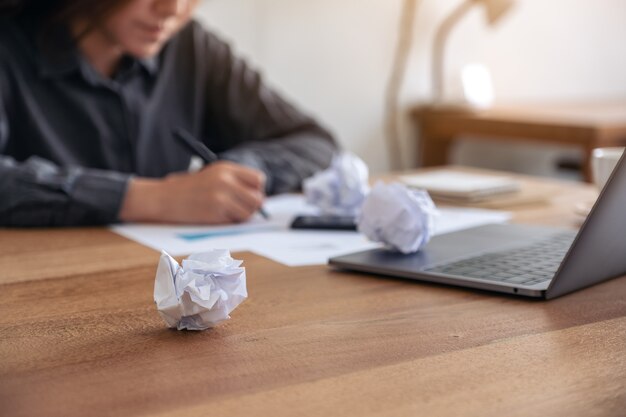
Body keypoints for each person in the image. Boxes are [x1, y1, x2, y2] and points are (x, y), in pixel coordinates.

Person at [0, 0, 337, 226]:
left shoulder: (192, 47)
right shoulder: (9, 45)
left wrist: (241, 173)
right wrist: (150, 199)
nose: (172, 9)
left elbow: (312, 140)